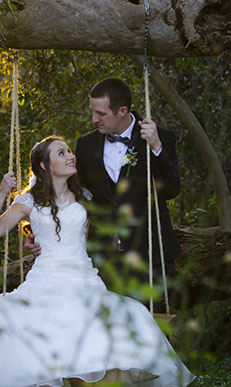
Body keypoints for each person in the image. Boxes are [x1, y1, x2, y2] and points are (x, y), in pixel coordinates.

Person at [0, 137, 194, 387]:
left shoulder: (85, 195)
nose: (70, 156)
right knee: (57, 336)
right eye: (61, 153)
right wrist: (3, 193)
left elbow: (107, 223)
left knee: (94, 335)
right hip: (46, 278)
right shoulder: (28, 201)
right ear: (44, 165)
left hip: (83, 277)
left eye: (69, 151)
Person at [27, 78, 181, 287]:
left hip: (150, 255)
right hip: (103, 260)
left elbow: (171, 190)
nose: (93, 119)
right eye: (93, 111)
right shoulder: (86, 144)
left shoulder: (160, 137)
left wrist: (156, 147)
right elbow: (70, 193)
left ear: (122, 111)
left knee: (153, 309)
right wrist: (38, 230)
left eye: (101, 113)